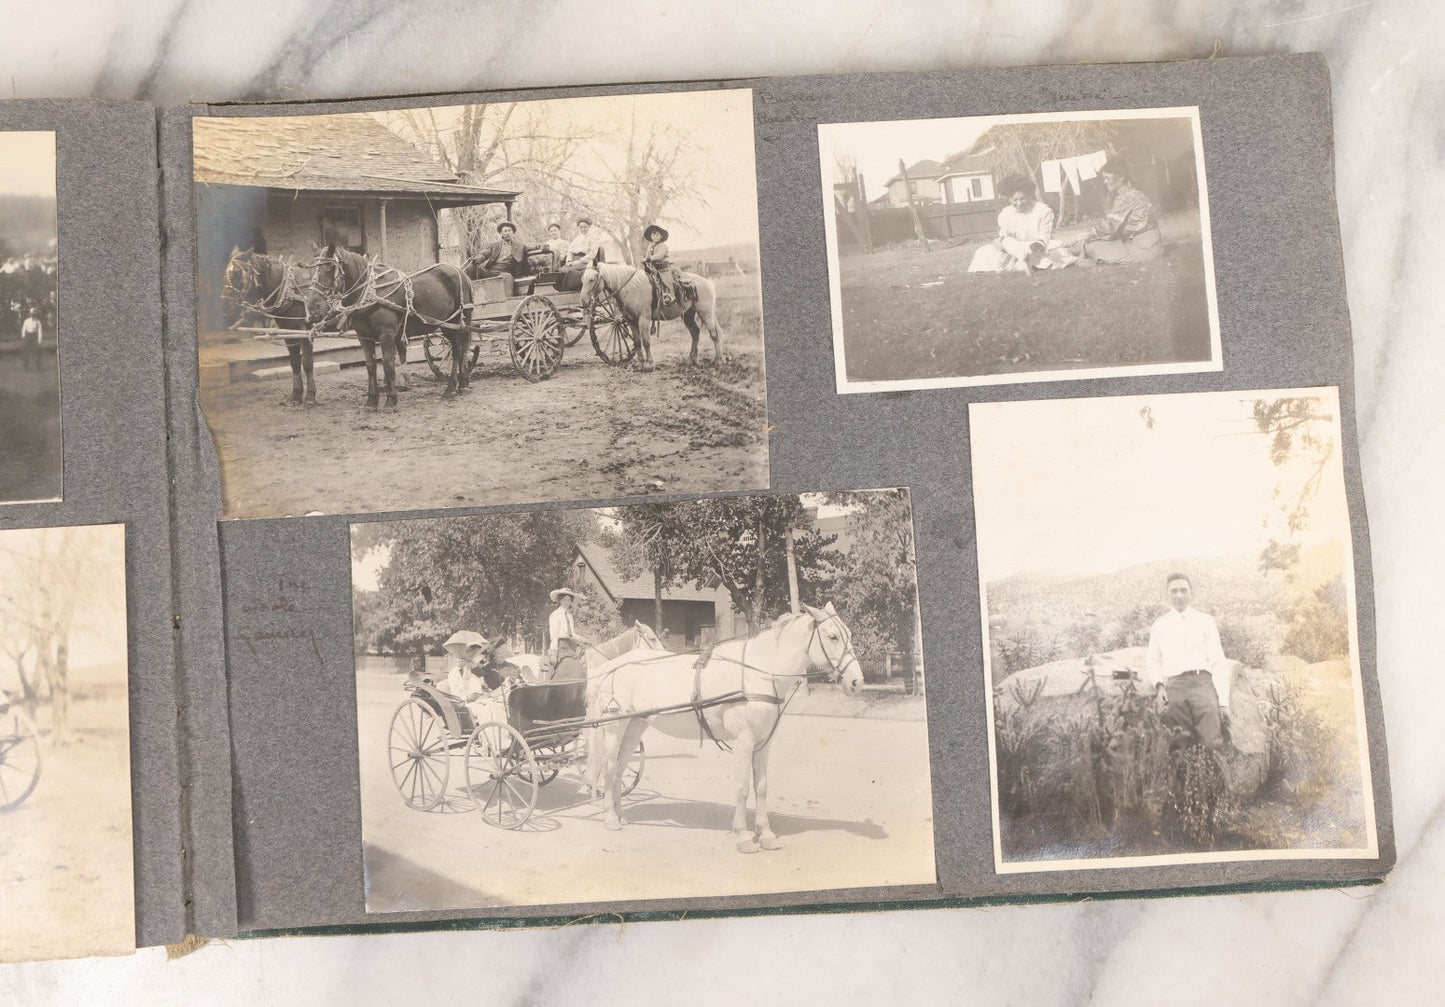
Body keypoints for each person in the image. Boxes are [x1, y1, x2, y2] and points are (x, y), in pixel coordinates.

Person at [1142, 573, 1233, 749]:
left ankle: (1212, 775)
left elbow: (1217, 661)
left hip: (1202, 683)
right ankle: (1184, 775)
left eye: (1184, 590)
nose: (1179, 595)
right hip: (1175, 686)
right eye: (1174, 591)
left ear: (1191, 593)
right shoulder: (1160, 625)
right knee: (1178, 741)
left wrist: (1223, 702)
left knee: (1212, 740)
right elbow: (1152, 660)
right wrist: (1159, 685)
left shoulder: (1205, 621)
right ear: (1167, 594)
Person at [968, 174, 1076, 274]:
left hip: (1038, 247)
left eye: (1022, 199)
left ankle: (1024, 262)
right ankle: (1022, 261)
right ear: (1009, 198)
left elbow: (1044, 237)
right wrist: (1001, 243)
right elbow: (1004, 237)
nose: (1019, 203)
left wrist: (1036, 246)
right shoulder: (1006, 213)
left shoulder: (1042, 211)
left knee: (1051, 255)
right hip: (1014, 249)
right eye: (1015, 200)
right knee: (983, 251)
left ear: (1029, 195)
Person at [1071, 157, 1164, 265]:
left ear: (1120, 177)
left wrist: (1087, 234)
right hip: (1154, 246)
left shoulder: (1125, 198)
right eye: (1104, 178)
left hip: (1144, 250)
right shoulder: (1136, 193)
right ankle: (1087, 258)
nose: (1105, 182)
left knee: (1090, 244)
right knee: (1095, 242)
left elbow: (1109, 227)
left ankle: (1084, 261)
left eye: (1107, 178)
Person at [466, 221, 535, 284]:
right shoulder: (495, 245)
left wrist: (543, 247)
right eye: (505, 231)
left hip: (506, 272)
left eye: (509, 231)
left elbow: (532, 248)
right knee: (472, 268)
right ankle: (473, 294)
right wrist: (477, 259)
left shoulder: (520, 245)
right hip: (491, 271)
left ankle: (505, 297)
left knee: (506, 277)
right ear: (501, 233)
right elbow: (484, 254)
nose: (507, 233)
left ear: (513, 232)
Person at [547, 587, 588, 679]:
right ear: (560, 600)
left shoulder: (569, 616)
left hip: (571, 646)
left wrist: (582, 639)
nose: (567, 602)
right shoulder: (555, 615)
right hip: (561, 647)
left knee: (585, 662)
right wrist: (553, 653)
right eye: (564, 599)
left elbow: (572, 634)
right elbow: (554, 636)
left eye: (569, 600)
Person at [640, 223, 681, 307]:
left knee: (666, 281)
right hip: (653, 268)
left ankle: (670, 296)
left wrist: (649, 259)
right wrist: (644, 259)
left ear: (661, 237)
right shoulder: (650, 245)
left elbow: (659, 256)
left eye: (657, 235)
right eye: (653, 235)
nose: (655, 237)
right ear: (651, 236)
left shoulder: (663, 245)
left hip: (663, 268)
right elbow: (648, 255)